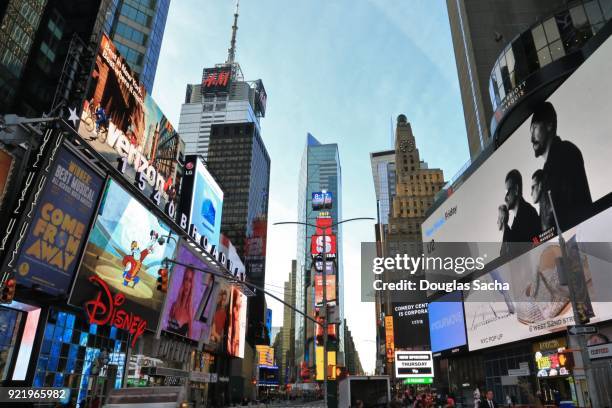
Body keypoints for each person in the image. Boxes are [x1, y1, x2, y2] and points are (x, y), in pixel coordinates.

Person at [530, 101, 592, 230]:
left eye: (535, 128)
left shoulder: (566, 152)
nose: (531, 138)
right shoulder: (546, 172)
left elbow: (570, 212)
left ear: (549, 125)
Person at [498, 169, 540, 255]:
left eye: (507, 193)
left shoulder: (528, 214)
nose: (505, 198)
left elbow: (512, 254)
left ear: (516, 189)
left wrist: (504, 226)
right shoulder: (518, 219)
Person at [167, 267, 195, 338]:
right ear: (183, 281)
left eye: (190, 280)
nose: (187, 284)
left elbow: (189, 339)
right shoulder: (174, 306)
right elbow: (167, 331)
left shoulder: (190, 311)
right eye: (186, 279)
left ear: (192, 285)